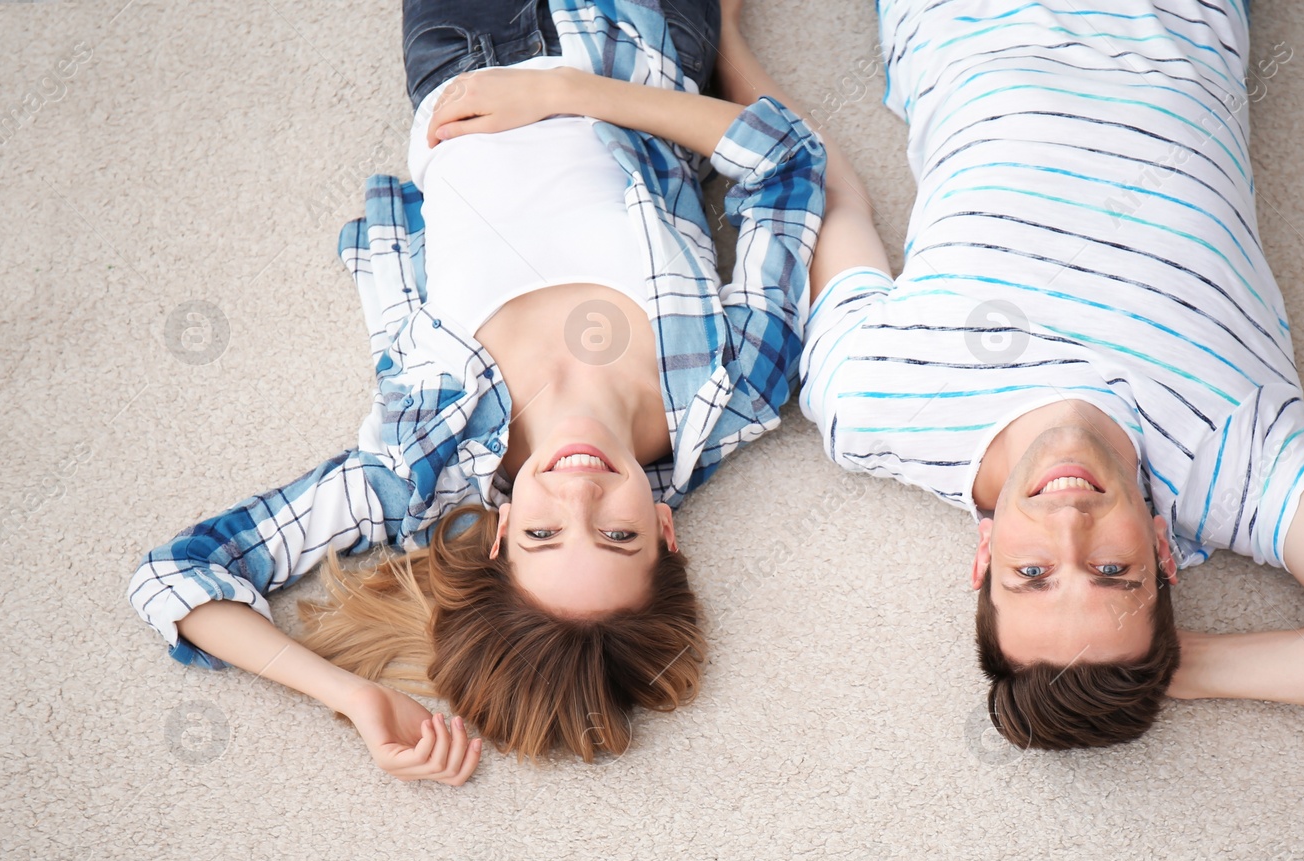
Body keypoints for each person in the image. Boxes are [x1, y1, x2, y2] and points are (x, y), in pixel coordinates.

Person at [127, 0, 825, 783]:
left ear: (498, 537)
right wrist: (573, 93)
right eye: (617, 536)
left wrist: (352, 696)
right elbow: (787, 160)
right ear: (666, 530)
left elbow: (176, 576)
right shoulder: (738, 386)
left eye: (541, 536)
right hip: (642, 36)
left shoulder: (419, 460)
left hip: (468, 43)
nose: (578, 495)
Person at [792, 0, 1304, 746]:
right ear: (1163, 551)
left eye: (1033, 574)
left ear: (983, 556)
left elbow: (825, 190)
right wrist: (1183, 667)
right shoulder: (1232, 464)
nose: (1069, 527)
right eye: (1114, 569)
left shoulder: (880, 402)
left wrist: (733, 62)